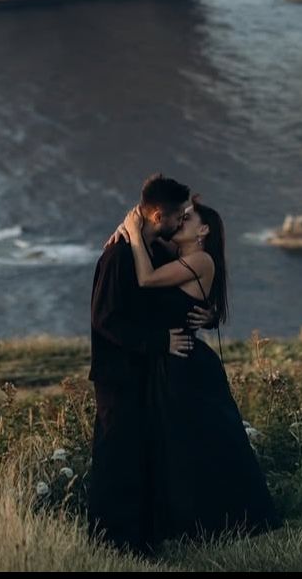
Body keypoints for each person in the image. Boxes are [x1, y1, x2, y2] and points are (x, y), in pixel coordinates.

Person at [116, 195, 280, 543]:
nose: (180, 221)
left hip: (189, 364)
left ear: (203, 230)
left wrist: (132, 232)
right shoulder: (177, 255)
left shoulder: (201, 260)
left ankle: (225, 520)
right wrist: (126, 229)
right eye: (180, 216)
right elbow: (152, 230)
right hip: (172, 360)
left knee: (204, 442)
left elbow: (146, 278)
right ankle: (187, 524)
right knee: (180, 443)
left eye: (188, 218)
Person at [87, 173, 211, 552]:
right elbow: (105, 320)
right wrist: (160, 341)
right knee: (116, 456)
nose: (180, 222)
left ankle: (142, 541)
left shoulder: (152, 250)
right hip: (117, 375)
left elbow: (183, 291)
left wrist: (208, 315)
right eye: (178, 217)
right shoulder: (119, 255)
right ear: (159, 216)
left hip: (144, 370)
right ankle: (111, 543)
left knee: (140, 456)